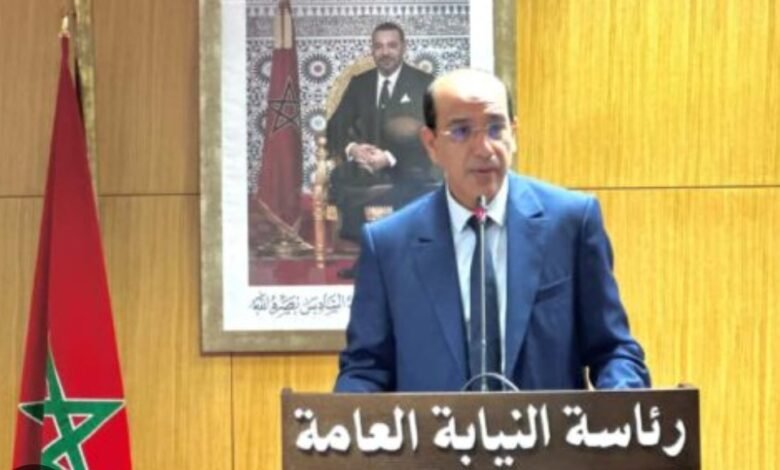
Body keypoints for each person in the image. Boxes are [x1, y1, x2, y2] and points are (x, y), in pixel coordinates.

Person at [334, 69, 651, 392]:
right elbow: (366, 370)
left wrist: (620, 402)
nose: (484, 148)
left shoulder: (570, 222)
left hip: (547, 426)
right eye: (461, 131)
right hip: (435, 427)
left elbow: (613, 350)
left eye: (496, 128)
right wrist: (343, 416)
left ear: (514, 133)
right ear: (431, 144)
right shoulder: (388, 244)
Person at [326, 22, 440, 252]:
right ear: (372, 50)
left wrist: (388, 157)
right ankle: (357, 240)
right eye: (379, 46)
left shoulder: (424, 83)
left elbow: (433, 133)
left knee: (417, 182)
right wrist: (353, 149)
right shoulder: (360, 83)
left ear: (403, 47)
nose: (385, 52)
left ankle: (402, 241)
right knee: (340, 175)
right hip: (365, 165)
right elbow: (334, 128)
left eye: (391, 45)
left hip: (408, 164)